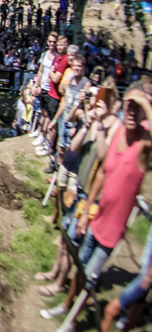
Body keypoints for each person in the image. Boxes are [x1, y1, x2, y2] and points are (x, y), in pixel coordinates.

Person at [41, 86, 152, 326]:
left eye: (138, 107)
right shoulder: (119, 133)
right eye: (129, 105)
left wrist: (144, 104)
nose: (132, 111)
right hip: (96, 216)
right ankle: (65, 306)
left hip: (113, 230)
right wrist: (87, 210)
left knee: (90, 276)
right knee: (80, 268)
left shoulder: (145, 144)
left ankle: (70, 322)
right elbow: (102, 172)